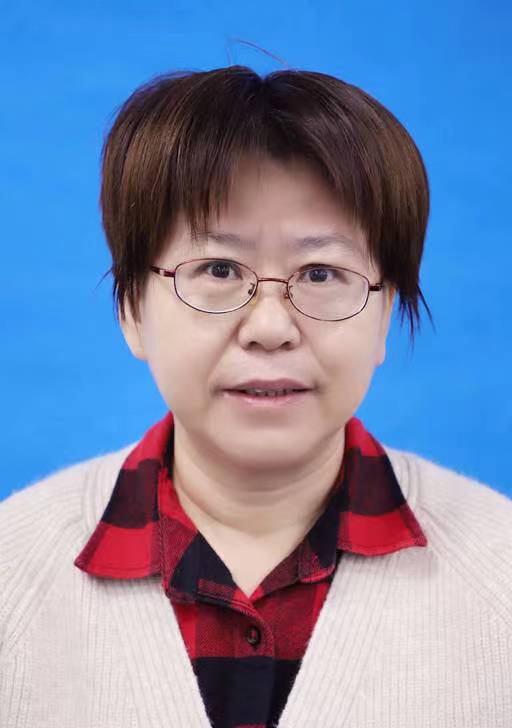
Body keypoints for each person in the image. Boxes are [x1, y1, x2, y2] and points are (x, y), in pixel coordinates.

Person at [1, 65, 511, 728]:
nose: (270, 327)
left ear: (384, 315)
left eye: (321, 272)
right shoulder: (12, 571)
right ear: (130, 308)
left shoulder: (499, 571)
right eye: (218, 269)